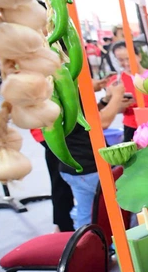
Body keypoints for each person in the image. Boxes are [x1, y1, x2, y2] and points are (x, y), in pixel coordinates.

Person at [57, 78, 133, 228]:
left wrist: (106, 100)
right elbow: (100, 122)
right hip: (90, 167)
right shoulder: (67, 90)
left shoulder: (57, 90)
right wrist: (117, 95)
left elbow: (83, 116)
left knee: (86, 212)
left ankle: (87, 245)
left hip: (72, 167)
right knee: (118, 211)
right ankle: (115, 246)